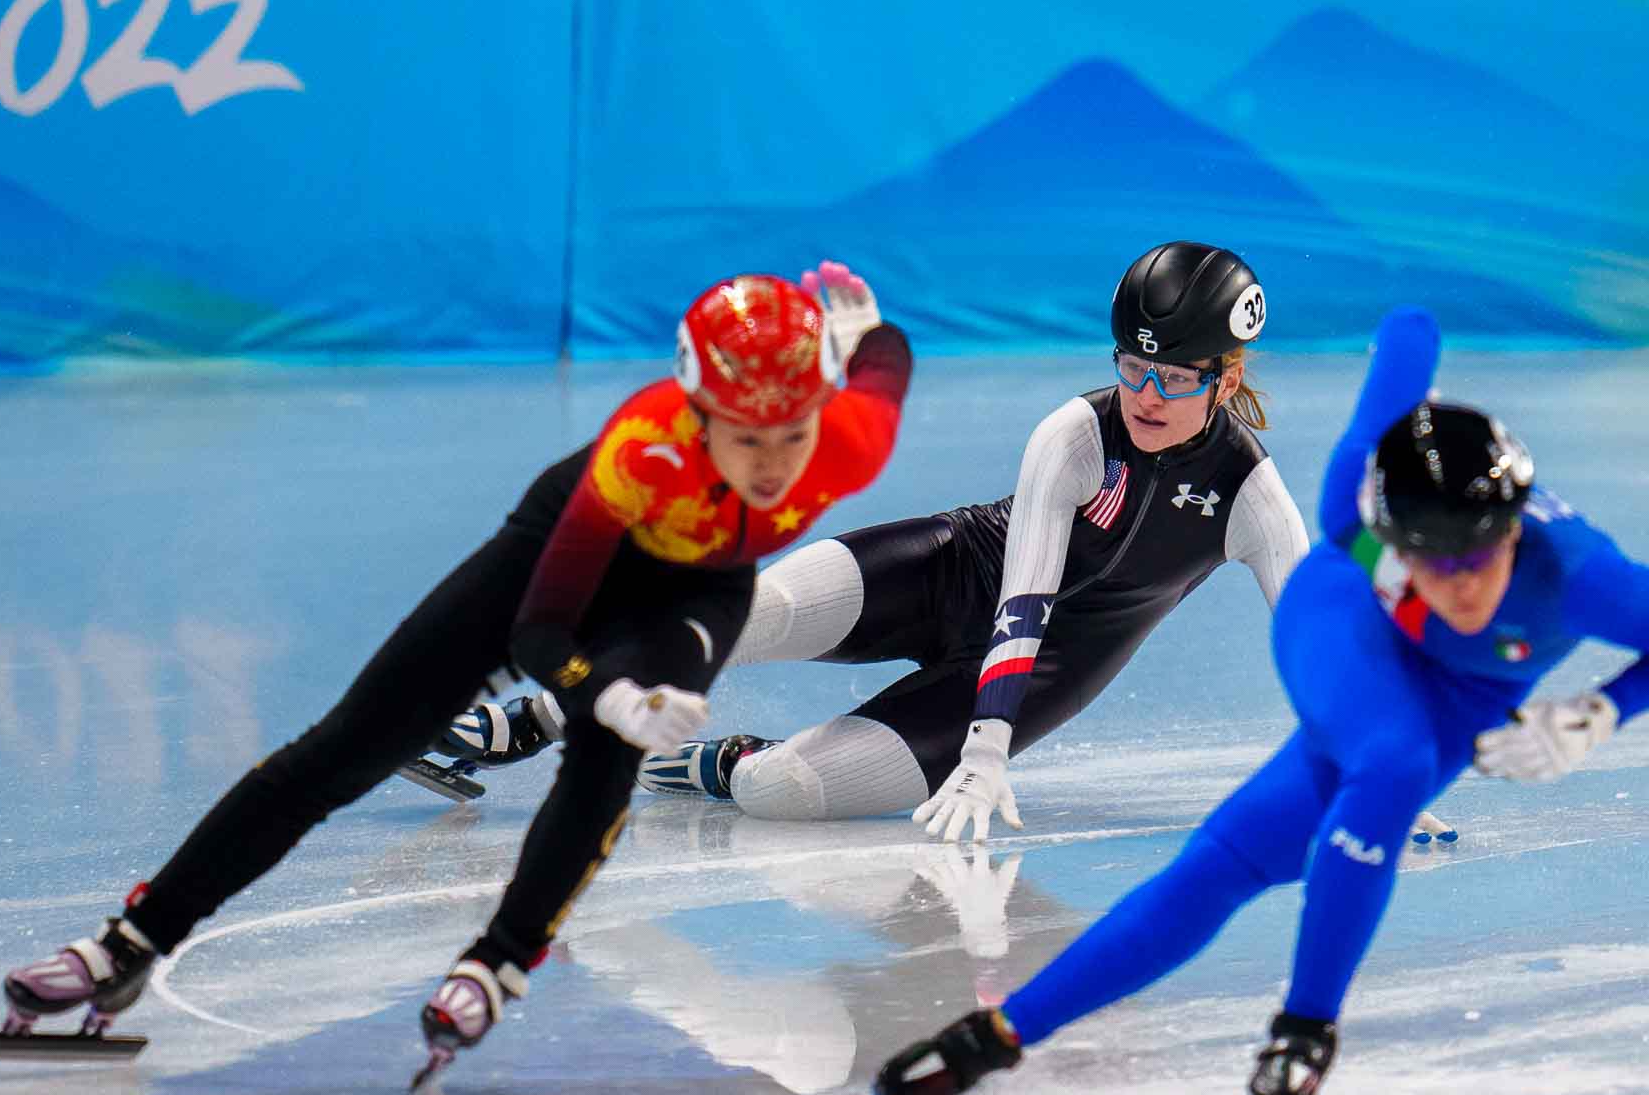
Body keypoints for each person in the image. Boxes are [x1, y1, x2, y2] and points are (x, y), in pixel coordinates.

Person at [841, 306, 1649, 1095]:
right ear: (1396, 539)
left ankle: (995, 1035)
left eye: (1479, 559)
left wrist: (1598, 712)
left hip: (1462, 697)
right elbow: (1403, 347)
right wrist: (1411, 332)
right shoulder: (1359, 520)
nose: (1459, 586)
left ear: (1513, 534)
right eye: (1432, 561)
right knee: (1389, 768)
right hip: (1351, 630)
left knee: (1223, 865)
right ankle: (1307, 1026)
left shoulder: (1585, 578)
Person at [0, 263, 913, 1084]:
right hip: (557, 562)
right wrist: (605, 688)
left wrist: (861, 325)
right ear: (695, 409)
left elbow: (885, 362)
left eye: (792, 435)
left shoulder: (849, 437)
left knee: (606, 762)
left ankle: (499, 960)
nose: (771, 465)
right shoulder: (640, 447)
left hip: (696, 589)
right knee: (344, 751)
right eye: (745, 438)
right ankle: (133, 942)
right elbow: (543, 632)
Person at [455, 242, 1306, 841]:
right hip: (960, 572)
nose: (1145, 395)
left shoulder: (1250, 496)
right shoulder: (1075, 434)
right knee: (751, 613)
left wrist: (1367, 770)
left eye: (1174, 378)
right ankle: (528, 718)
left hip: (1053, 670)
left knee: (779, 790)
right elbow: (1024, 596)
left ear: (1227, 377)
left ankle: (726, 762)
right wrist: (984, 750)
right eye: (1130, 365)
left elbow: (1320, 640)